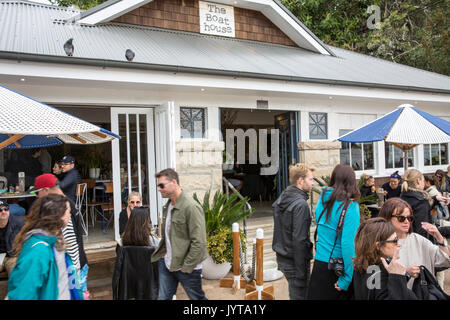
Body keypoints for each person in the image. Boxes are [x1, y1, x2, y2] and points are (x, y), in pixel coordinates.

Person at [7, 194, 82, 300]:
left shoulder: (54, 241)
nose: (70, 215)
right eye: (68, 212)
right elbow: (23, 294)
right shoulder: (38, 250)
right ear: (58, 215)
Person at [151, 168, 208, 300]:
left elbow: (199, 242)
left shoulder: (191, 207)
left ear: (174, 182)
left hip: (186, 267)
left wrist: (186, 267)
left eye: (161, 185)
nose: (159, 189)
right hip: (167, 264)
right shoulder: (169, 206)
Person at [307, 164, 360, 300]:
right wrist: (347, 278)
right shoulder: (351, 207)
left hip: (319, 263)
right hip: (337, 268)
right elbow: (348, 244)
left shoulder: (323, 199)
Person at [378, 198, 450, 290]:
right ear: (387, 218)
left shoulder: (419, 240)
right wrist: (405, 273)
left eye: (409, 218)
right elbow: (377, 282)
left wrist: (440, 239)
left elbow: (445, 260)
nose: (406, 221)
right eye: (401, 218)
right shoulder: (381, 244)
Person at [272, 163, 315, 300]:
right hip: (294, 262)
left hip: (283, 258)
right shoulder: (300, 205)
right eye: (311, 179)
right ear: (300, 181)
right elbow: (299, 239)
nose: (313, 183)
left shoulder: (285, 195)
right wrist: (301, 272)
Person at [353, 217, 418, 300]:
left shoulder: (365, 267)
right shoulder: (380, 274)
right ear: (378, 246)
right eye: (395, 241)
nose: (399, 244)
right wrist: (397, 277)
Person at [34, 173, 87, 271]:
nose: (37, 197)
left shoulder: (61, 207)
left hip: (72, 269)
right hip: (77, 265)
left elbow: (70, 244)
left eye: (37, 193)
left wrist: (73, 274)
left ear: (46, 190)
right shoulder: (67, 202)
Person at [400, 169, 450, 243]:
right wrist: (446, 230)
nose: (424, 183)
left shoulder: (403, 196)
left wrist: (435, 199)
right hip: (420, 246)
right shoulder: (421, 202)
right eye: (423, 180)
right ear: (418, 181)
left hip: (405, 241)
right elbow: (423, 231)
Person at [0, 200, 25, 276]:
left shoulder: (19, 222)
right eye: (0, 210)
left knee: (15, 274)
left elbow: (28, 239)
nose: (3, 212)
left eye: (6, 209)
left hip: (13, 255)